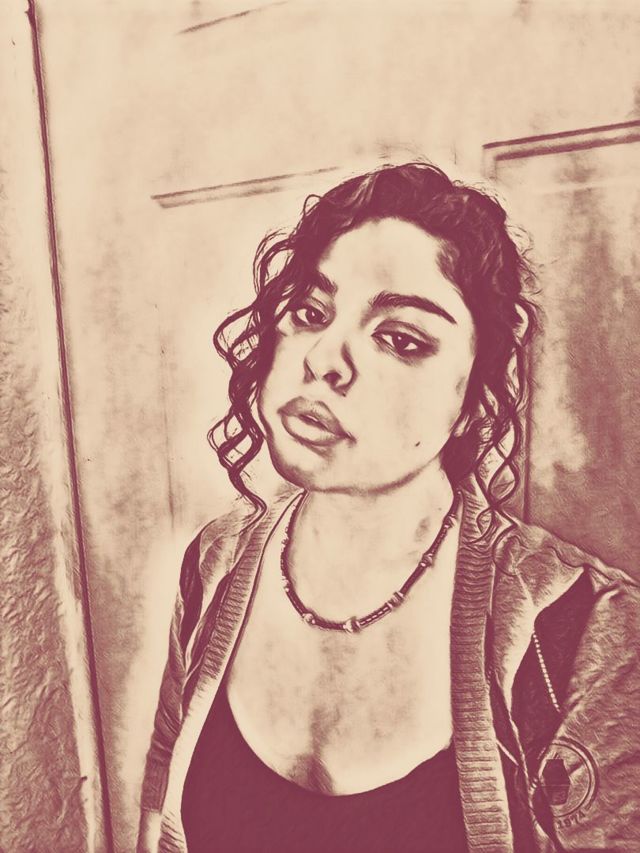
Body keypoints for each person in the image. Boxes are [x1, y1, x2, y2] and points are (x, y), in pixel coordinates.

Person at [137, 162, 640, 852]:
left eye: (400, 338)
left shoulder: (586, 629)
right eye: (311, 312)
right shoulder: (216, 559)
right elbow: (159, 814)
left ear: (477, 397)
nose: (324, 359)